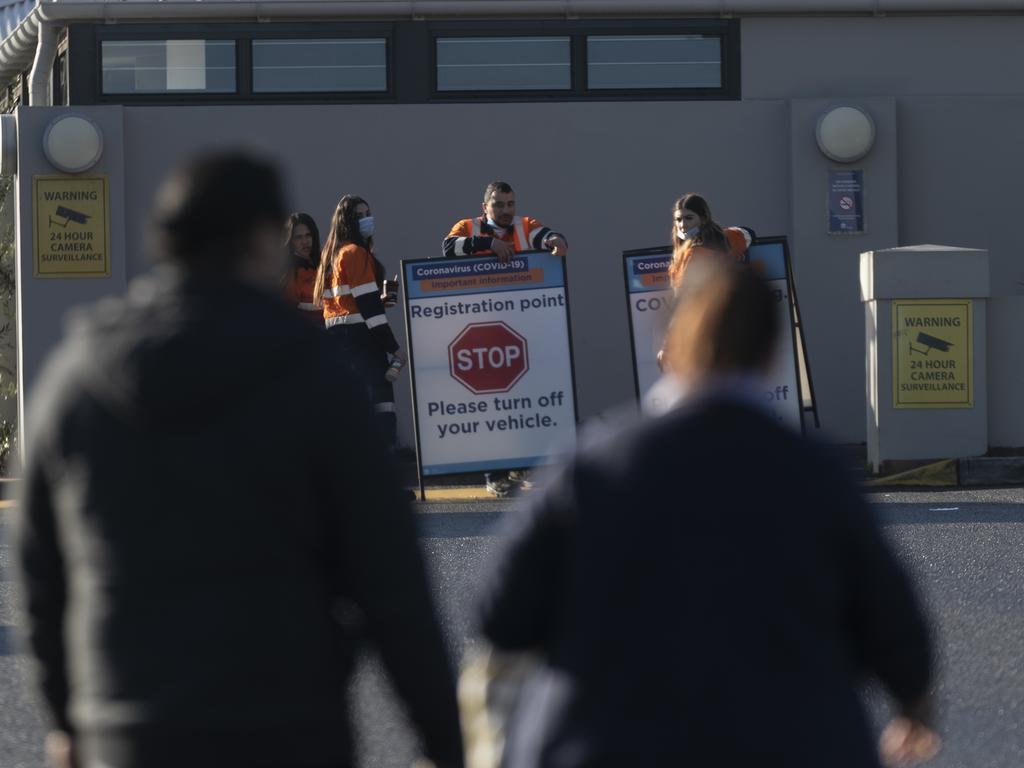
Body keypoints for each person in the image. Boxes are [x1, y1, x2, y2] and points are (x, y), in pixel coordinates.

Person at [14, 152, 464, 768]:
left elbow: (43, 575)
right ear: (261, 238)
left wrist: (69, 720)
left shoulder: (77, 378)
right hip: (285, 728)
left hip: (126, 733)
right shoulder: (315, 379)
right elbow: (390, 580)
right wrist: (444, 741)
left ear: (165, 240)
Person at [477, 262, 939, 768]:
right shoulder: (813, 471)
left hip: (605, 742)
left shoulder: (595, 461)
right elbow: (891, 619)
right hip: (791, 742)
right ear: (770, 353)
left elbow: (503, 614)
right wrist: (914, 704)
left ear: (669, 343)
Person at [441, 181, 568, 497]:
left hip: (523, 327)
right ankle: (494, 473)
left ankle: (524, 466)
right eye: (499, 204)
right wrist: (488, 243)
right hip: (480, 327)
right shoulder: (467, 227)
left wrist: (557, 241)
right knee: (490, 400)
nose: (506, 210)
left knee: (526, 396)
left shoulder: (525, 225)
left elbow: (547, 235)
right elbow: (448, 246)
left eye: (510, 204)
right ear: (485, 206)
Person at [313, 195, 405, 451]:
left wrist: (375, 299)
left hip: (337, 340)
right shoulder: (355, 253)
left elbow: (339, 303)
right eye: (361, 216)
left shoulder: (330, 256)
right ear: (350, 222)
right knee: (382, 407)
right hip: (362, 340)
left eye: (368, 213)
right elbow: (369, 310)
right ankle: (387, 481)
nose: (368, 220)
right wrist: (393, 347)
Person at [668, 193, 754, 291]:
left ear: (703, 219)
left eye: (689, 218)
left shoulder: (695, 253)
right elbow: (748, 232)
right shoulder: (725, 237)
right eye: (678, 220)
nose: (682, 225)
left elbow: (684, 296)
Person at [283, 211, 324, 326]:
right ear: (291, 241)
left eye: (308, 235)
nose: (305, 242)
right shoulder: (289, 273)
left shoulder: (326, 262)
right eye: (298, 237)